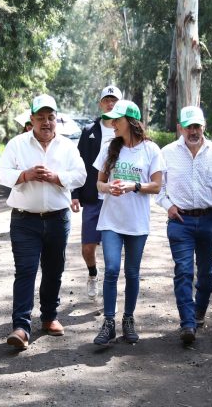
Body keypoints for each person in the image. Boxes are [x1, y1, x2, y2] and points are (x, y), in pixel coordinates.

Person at [0, 94, 87, 350]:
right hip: (24, 219)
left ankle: (49, 317)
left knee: (54, 269)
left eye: (50, 117)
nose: (46, 122)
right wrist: (25, 175)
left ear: (56, 119)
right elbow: (1, 174)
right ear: (32, 120)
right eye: (41, 118)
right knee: (25, 270)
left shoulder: (67, 146)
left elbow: (81, 175)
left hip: (58, 218)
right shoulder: (17, 144)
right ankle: (21, 327)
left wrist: (57, 177)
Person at [157, 106, 212, 343]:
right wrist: (168, 206)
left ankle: (199, 310)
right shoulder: (167, 152)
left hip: (208, 219)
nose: (193, 131)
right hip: (180, 221)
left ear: (204, 126)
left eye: (197, 127)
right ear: (180, 128)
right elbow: (159, 187)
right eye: (188, 127)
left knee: (206, 273)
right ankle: (187, 323)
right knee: (183, 271)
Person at [92, 100, 164, 346]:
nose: (112, 123)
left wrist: (134, 186)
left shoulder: (151, 150)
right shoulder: (109, 148)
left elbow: (157, 186)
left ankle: (128, 319)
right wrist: (108, 188)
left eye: (117, 119)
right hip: (111, 220)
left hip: (137, 222)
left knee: (132, 272)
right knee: (112, 269)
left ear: (131, 122)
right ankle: (108, 322)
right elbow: (99, 183)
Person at [70, 85, 122, 300]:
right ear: (101, 104)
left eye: (114, 100)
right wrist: (75, 193)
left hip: (117, 198)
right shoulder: (89, 130)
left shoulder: (125, 130)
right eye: (107, 100)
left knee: (112, 251)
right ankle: (93, 273)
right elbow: (78, 163)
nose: (110, 103)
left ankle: (110, 290)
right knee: (88, 248)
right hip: (94, 197)